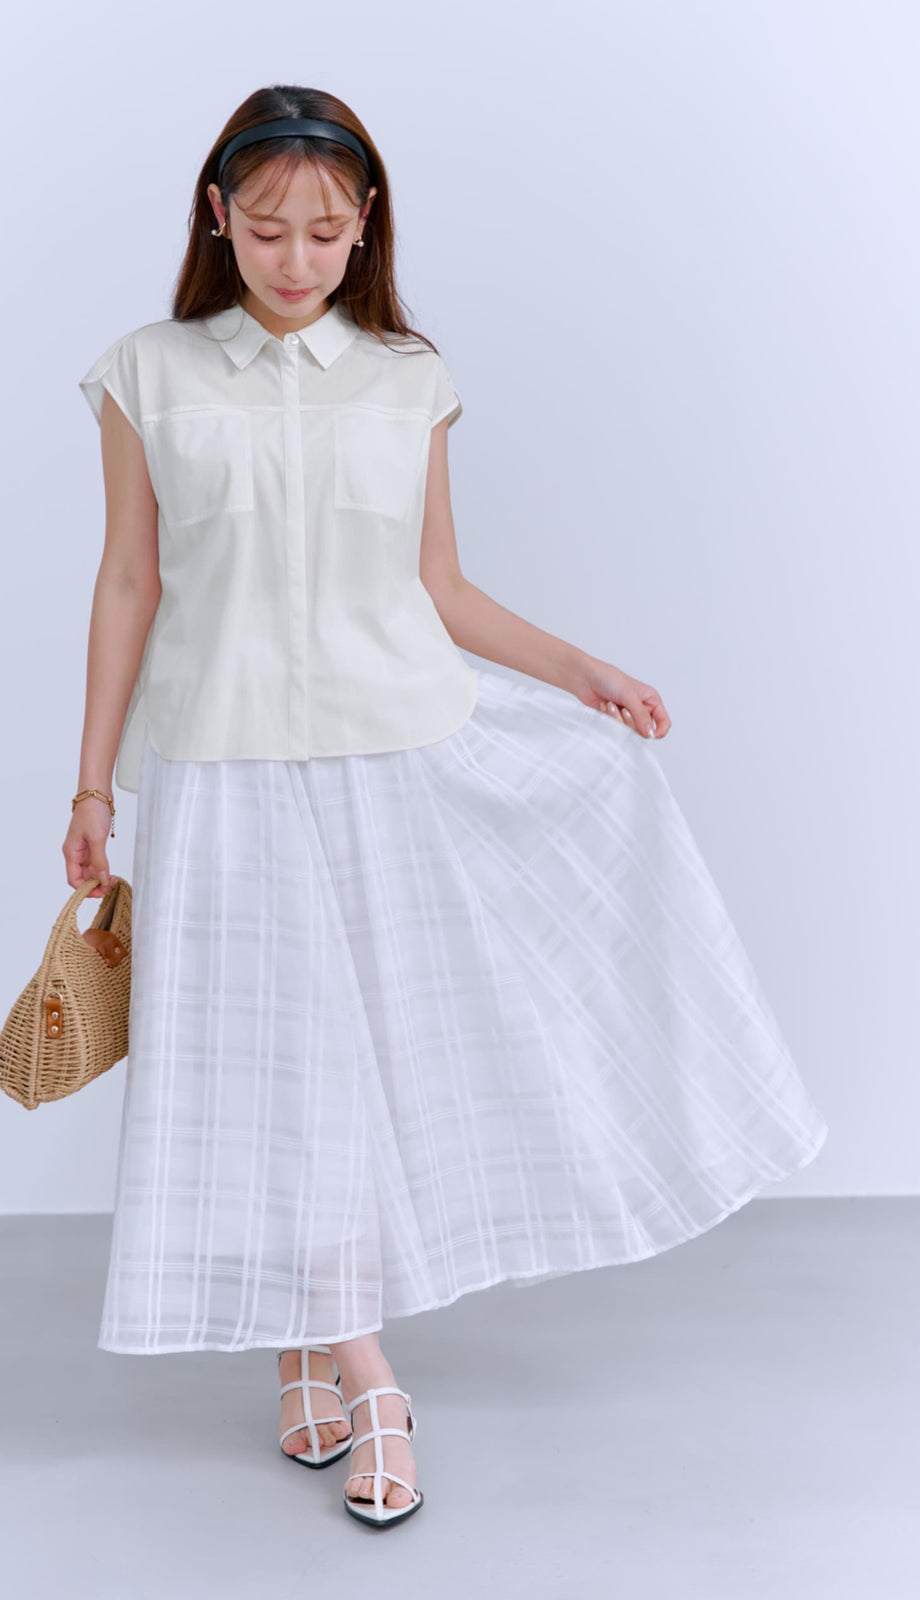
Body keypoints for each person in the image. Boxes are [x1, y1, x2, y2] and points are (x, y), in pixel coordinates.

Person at [64, 86, 828, 1529]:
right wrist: (94, 781)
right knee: (275, 1063)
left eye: (326, 233)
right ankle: (364, 1370)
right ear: (217, 218)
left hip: (393, 758)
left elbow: (441, 586)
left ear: (366, 229)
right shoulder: (145, 375)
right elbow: (127, 584)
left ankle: (318, 1346)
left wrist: (583, 670)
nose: (297, 259)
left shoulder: (408, 377)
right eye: (268, 231)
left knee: (354, 1065)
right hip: (222, 771)